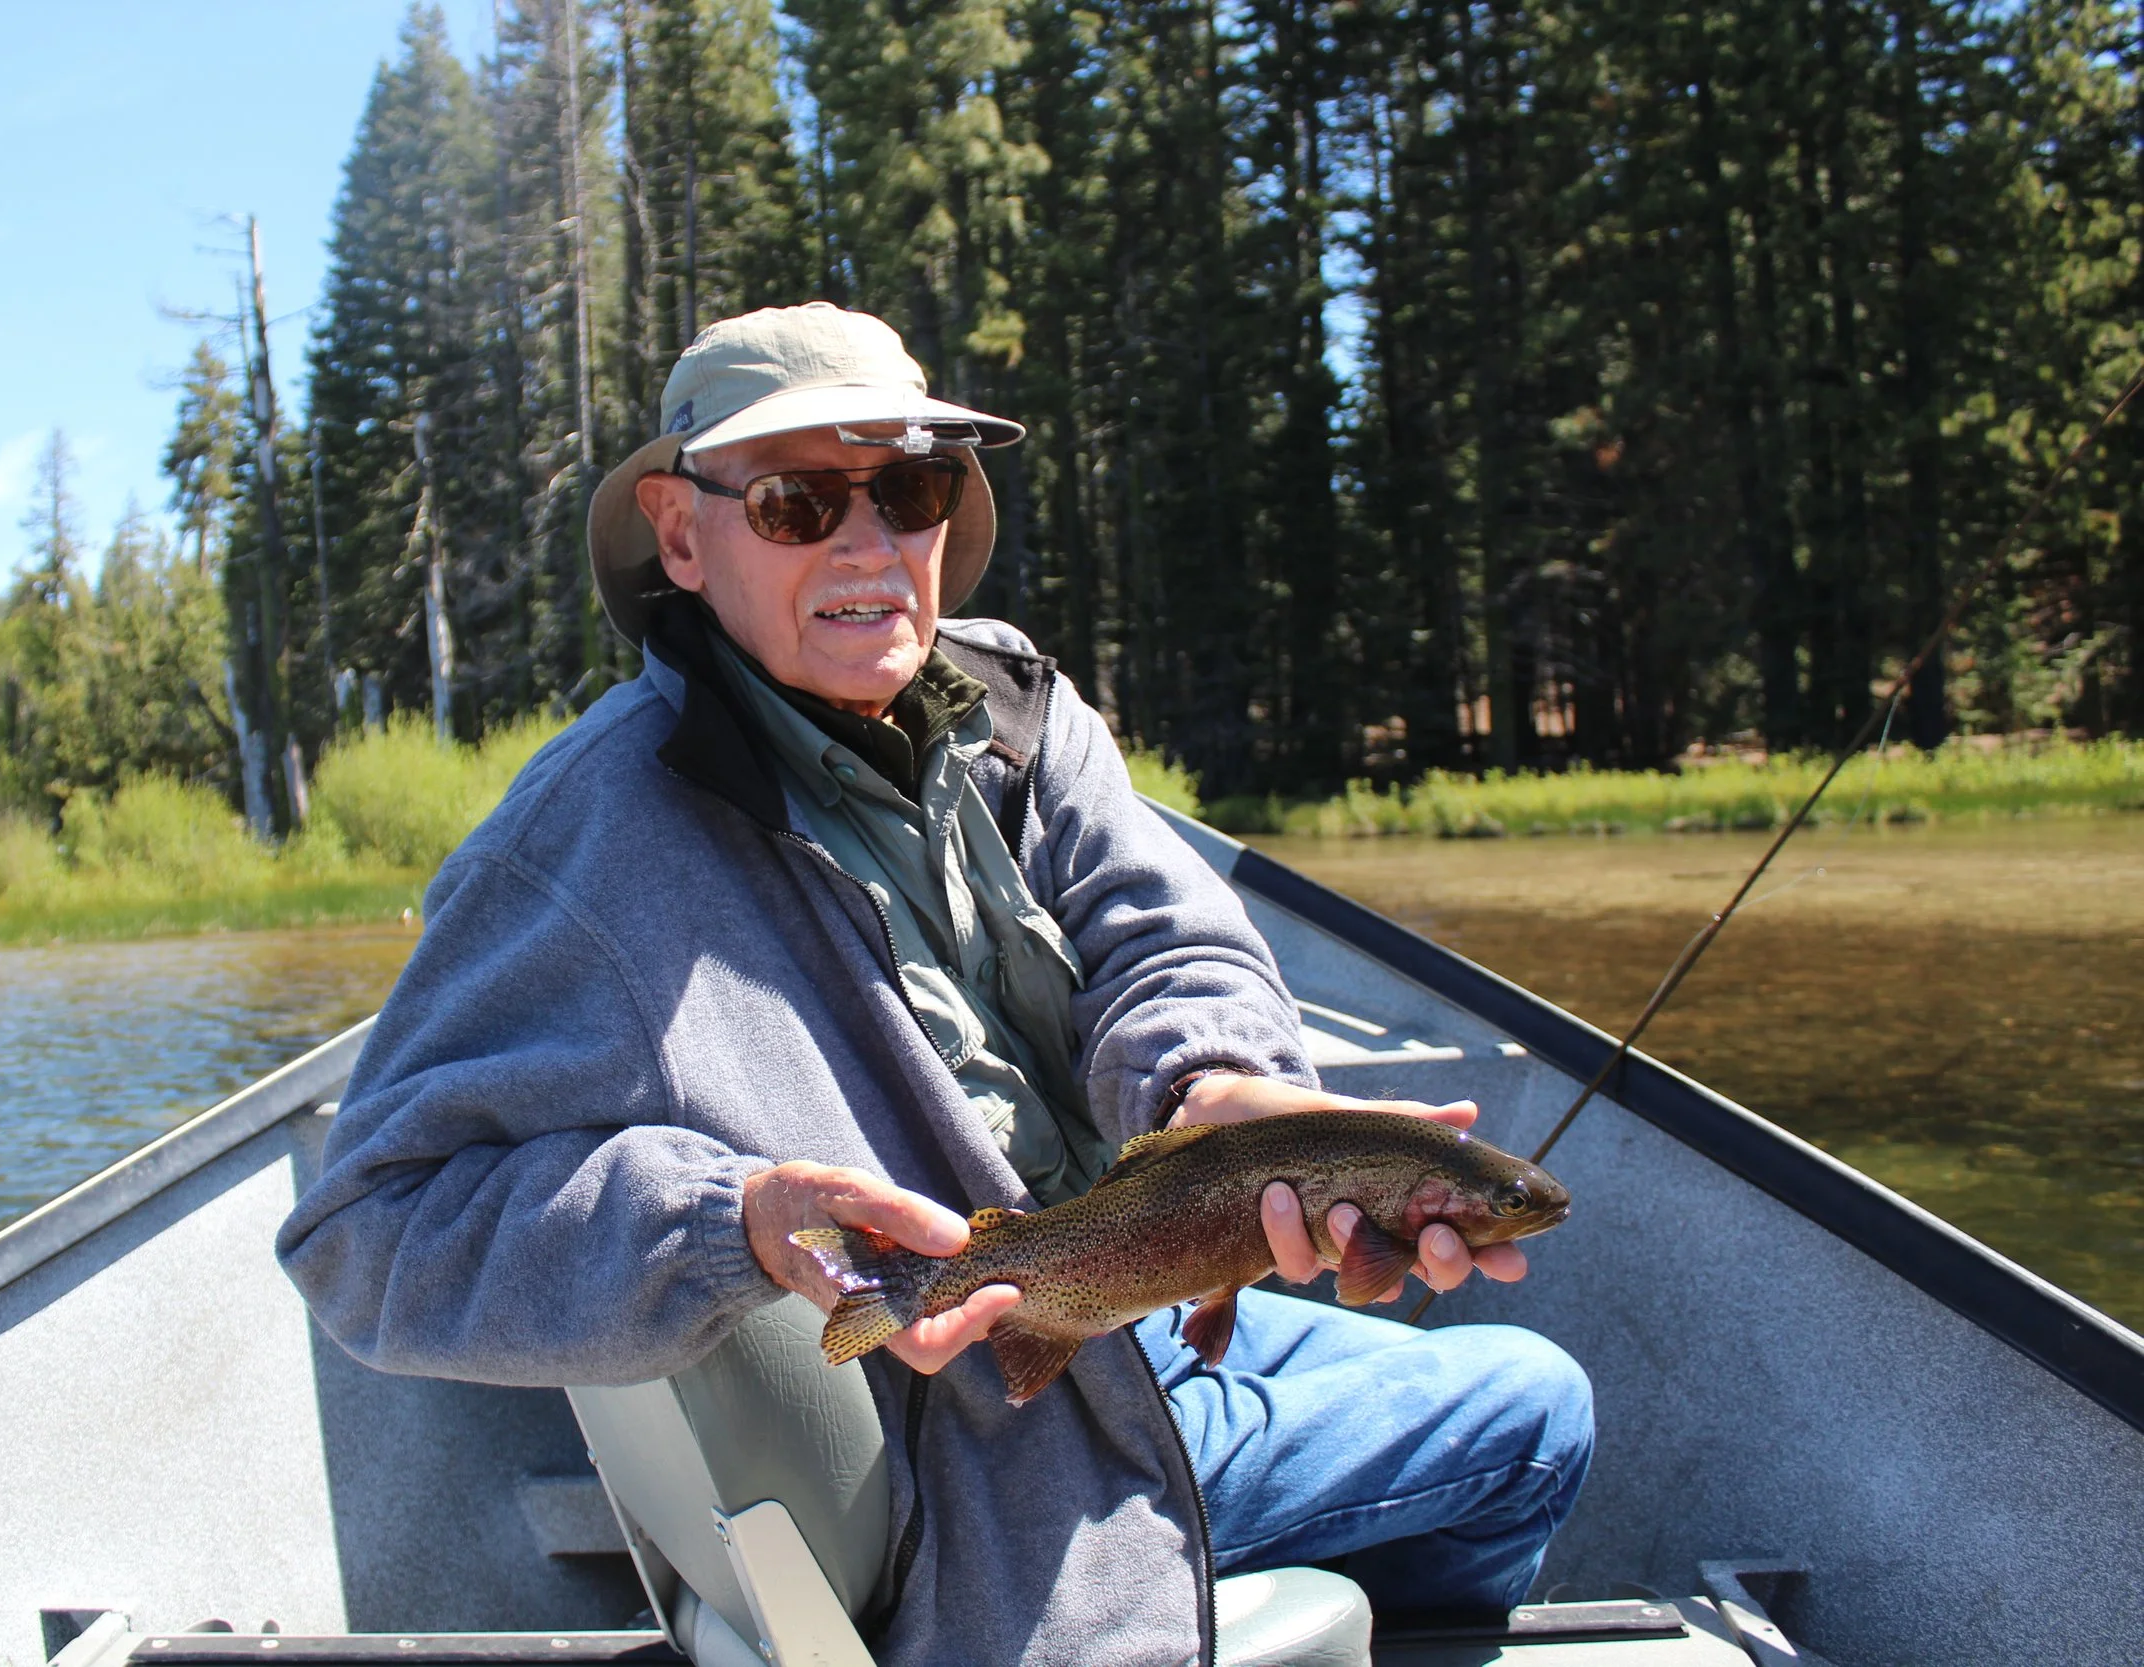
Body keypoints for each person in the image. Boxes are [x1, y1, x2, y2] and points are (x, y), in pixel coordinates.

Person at [277, 302, 1592, 1667]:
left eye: (906, 489)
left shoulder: (1014, 707)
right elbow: (366, 1232)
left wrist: (1210, 1082)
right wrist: (730, 1220)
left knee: (1511, 1382)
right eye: (796, 501)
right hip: (996, 1466)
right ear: (681, 534)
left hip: (1134, 1310)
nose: (867, 543)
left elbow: (1162, 933)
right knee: (1537, 1411)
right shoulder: (576, 856)